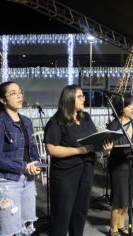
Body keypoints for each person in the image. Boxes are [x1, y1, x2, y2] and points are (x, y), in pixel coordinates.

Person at [44, 84, 112, 236]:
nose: (84, 99)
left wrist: (104, 148)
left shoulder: (86, 118)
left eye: (83, 96)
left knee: (80, 213)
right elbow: (51, 149)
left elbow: (94, 142)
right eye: (80, 96)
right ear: (69, 99)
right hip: (65, 174)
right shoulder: (57, 121)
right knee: (62, 215)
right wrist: (78, 151)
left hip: (86, 171)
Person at [0, 81, 41, 235]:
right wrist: (23, 166)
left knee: (25, 227)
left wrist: (36, 163)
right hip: (8, 181)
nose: (19, 95)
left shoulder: (27, 121)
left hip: (28, 180)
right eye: (13, 93)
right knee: (9, 230)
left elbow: (32, 147)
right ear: (3, 100)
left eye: (20, 92)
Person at [107, 94, 133, 236]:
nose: (132, 108)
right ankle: (113, 228)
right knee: (119, 198)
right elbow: (110, 148)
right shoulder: (114, 125)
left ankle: (121, 224)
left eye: (132, 105)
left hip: (131, 164)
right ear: (121, 108)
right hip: (119, 166)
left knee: (127, 198)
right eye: (129, 105)